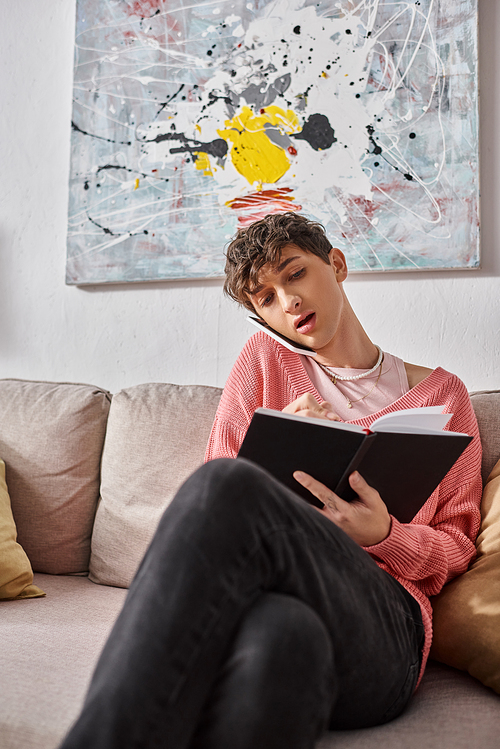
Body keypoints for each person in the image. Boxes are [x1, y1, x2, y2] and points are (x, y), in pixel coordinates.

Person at [59, 213, 482, 749]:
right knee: (281, 636)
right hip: (280, 605)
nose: (288, 301)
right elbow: (214, 502)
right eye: (265, 298)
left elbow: (458, 547)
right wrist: (283, 427)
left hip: (384, 631)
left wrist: (384, 536)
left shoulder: (444, 396)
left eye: (295, 274)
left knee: (227, 487)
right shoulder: (264, 363)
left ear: (336, 264)